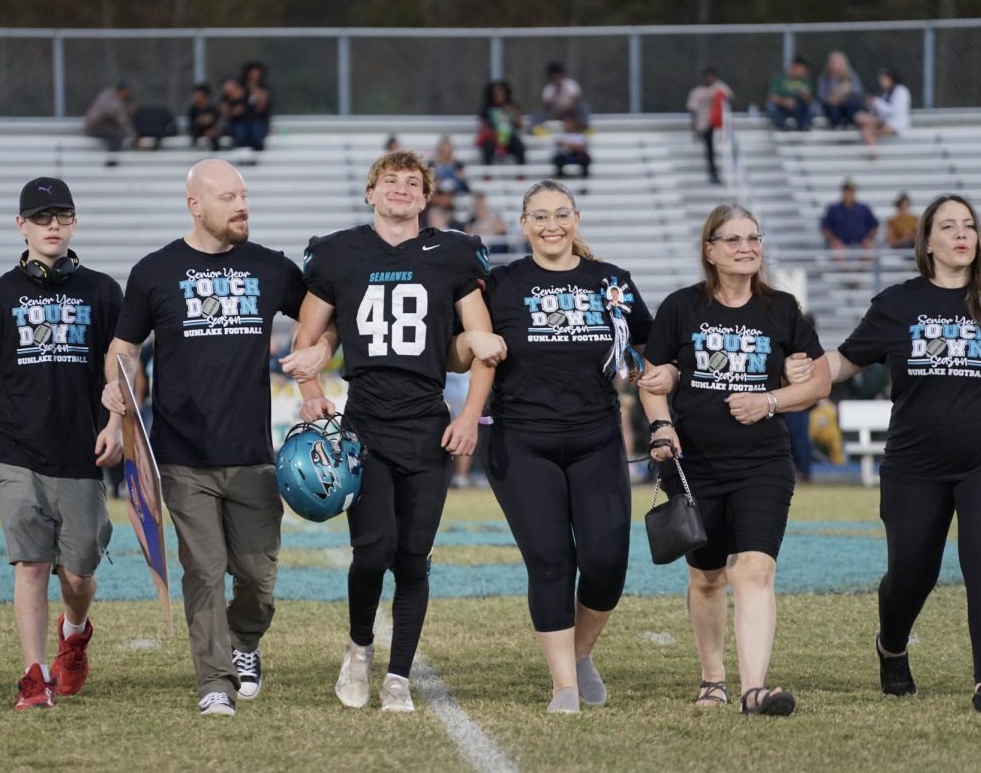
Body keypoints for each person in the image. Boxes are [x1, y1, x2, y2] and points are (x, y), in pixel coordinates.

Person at [101, 159, 335, 717]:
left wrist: (318, 359)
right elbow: (123, 348)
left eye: (244, 195)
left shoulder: (269, 267)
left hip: (255, 455)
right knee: (203, 571)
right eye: (228, 197)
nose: (241, 205)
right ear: (195, 205)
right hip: (181, 457)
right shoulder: (154, 271)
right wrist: (118, 399)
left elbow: (323, 318)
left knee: (258, 578)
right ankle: (214, 680)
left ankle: (243, 641)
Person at [291, 150, 501, 712]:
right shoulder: (338, 253)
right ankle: (359, 648)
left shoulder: (452, 253)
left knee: (413, 558)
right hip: (364, 425)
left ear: (427, 196)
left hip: (428, 423)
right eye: (391, 181)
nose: (402, 189)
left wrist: (469, 417)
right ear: (370, 192)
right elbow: (308, 341)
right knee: (372, 550)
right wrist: (312, 395)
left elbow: (483, 346)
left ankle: (398, 676)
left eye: (414, 183)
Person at [787, 194, 981, 713]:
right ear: (927, 242)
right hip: (915, 465)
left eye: (970, 226)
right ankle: (892, 645)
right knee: (913, 571)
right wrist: (806, 370)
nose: (962, 235)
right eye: (949, 226)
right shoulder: (898, 303)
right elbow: (845, 361)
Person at [638, 203, 831, 716]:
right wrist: (661, 426)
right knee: (706, 576)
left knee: (754, 569)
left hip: (763, 462)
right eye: (733, 239)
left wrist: (770, 401)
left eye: (753, 238)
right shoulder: (681, 307)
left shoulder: (783, 309)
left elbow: (820, 380)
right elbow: (653, 380)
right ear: (710, 250)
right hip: (693, 463)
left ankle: (754, 690)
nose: (746, 247)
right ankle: (712, 679)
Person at [469, 179, 652, 712]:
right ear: (524, 225)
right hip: (521, 441)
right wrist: (471, 342)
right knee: (550, 561)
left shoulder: (611, 280)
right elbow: (460, 351)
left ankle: (579, 653)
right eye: (540, 216)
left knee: (607, 560)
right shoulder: (498, 284)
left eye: (561, 214)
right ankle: (564, 686)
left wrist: (660, 384)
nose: (552, 225)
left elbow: (653, 348)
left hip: (596, 439)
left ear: (577, 219)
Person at [0, 177, 124, 710]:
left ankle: (74, 632)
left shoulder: (102, 290)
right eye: (42, 217)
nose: (53, 226)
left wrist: (116, 426)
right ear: (21, 224)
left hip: (80, 451)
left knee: (78, 572)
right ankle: (33, 675)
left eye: (62, 216)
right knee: (29, 565)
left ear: (74, 222)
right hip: (16, 450)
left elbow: (118, 372)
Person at [686, 67, 734, 185]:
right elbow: (692, 110)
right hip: (704, 123)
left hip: (718, 123)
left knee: (718, 148)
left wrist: (720, 87)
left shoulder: (718, 88)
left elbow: (730, 97)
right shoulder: (697, 92)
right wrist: (694, 128)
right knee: (710, 149)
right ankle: (713, 173)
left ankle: (719, 172)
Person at [822, 179, 880, 264]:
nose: (849, 194)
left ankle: (861, 271)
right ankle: (847, 272)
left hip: (861, 242)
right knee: (837, 250)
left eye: (851, 191)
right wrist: (833, 240)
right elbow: (825, 228)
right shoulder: (833, 209)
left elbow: (874, 226)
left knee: (870, 249)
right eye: (847, 191)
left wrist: (869, 239)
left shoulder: (863, 208)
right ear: (842, 193)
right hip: (840, 243)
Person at [856, 68, 911, 152]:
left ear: (891, 79)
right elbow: (880, 113)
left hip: (896, 124)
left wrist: (877, 102)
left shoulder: (901, 91)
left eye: (884, 79)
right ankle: (873, 152)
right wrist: (872, 105)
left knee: (868, 131)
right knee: (862, 121)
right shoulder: (885, 93)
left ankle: (874, 154)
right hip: (885, 121)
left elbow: (894, 111)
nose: (881, 81)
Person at [477, 81, 526, 165]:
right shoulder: (487, 108)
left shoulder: (511, 106)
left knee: (519, 146)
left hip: (509, 137)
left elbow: (520, 125)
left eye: (501, 92)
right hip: (494, 137)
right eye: (496, 92)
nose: (499, 95)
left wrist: (512, 114)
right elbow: (483, 126)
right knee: (487, 147)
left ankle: (521, 173)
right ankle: (487, 174)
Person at [83, 80, 133, 162]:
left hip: (109, 127)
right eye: (128, 91)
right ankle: (112, 160)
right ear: (123, 90)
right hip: (97, 125)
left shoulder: (120, 100)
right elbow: (107, 113)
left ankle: (114, 158)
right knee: (117, 134)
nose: (129, 93)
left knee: (120, 134)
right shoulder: (108, 97)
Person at [816, 51, 865, 129]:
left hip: (846, 104)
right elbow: (822, 96)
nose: (835, 64)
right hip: (832, 106)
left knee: (852, 103)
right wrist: (834, 96)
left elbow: (858, 91)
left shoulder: (851, 75)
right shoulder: (824, 77)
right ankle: (836, 126)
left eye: (837, 62)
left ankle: (851, 124)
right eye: (833, 62)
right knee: (833, 108)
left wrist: (843, 92)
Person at [766, 57, 814, 131]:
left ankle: (803, 125)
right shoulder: (779, 77)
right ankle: (782, 127)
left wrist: (805, 96)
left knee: (814, 107)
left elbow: (809, 99)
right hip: (781, 107)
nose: (805, 72)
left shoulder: (805, 79)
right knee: (770, 106)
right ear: (795, 67)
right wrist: (785, 101)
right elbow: (772, 97)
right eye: (803, 69)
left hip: (799, 108)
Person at [551, 114, 591, 179]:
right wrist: (575, 146)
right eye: (566, 123)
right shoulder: (561, 136)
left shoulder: (581, 135)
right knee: (558, 158)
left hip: (577, 156)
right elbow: (559, 145)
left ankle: (584, 176)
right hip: (565, 156)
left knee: (585, 158)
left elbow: (582, 147)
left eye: (569, 123)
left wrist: (567, 145)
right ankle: (560, 174)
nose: (567, 125)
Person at [188, 83, 222, 150]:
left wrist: (212, 130)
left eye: (198, 94)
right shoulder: (193, 110)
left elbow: (218, 122)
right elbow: (191, 124)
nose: (195, 96)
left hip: (211, 133)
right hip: (198, 133)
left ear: (204, 94)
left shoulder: (212, 108)